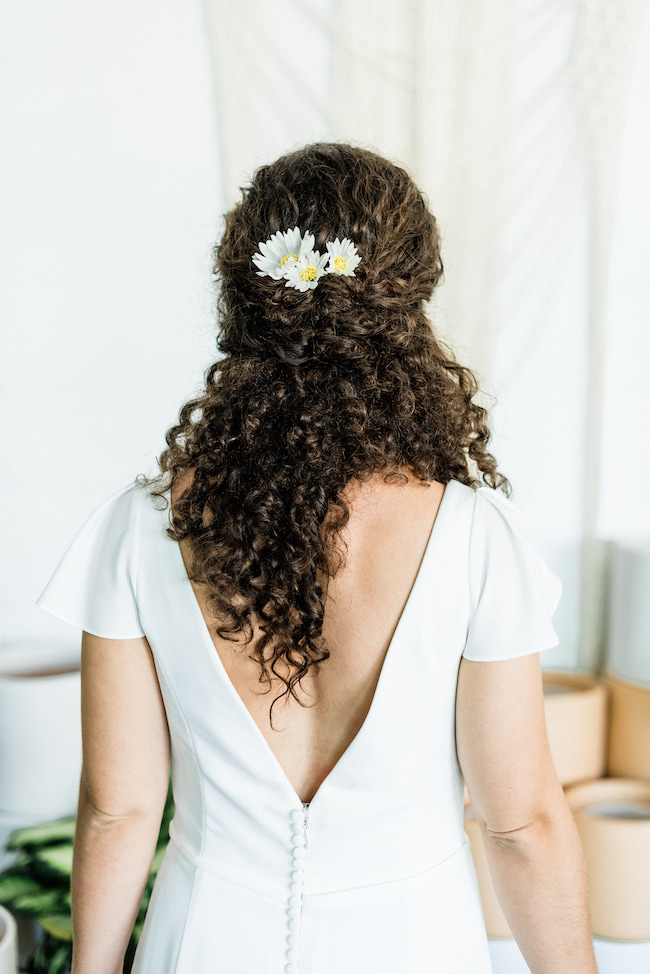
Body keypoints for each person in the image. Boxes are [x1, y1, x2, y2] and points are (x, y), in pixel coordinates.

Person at [38, 143, 598, 974]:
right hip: (416, 947)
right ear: (408, 307)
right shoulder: (476, 537)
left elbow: (117, 810)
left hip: (203, 944)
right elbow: (519, 824)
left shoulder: (142, 525)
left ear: (247, 297)